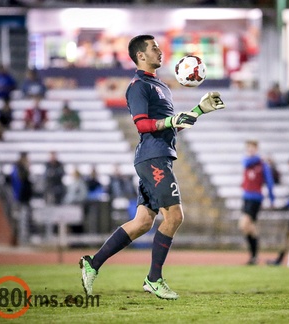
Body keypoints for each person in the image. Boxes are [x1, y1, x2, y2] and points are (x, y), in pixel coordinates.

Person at [79, 34, 225, 300]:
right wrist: (170, 122)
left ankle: (93, 263)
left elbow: (173, 123)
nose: (160, 51)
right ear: (141, 56)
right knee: (175, 217)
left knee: (143, 222)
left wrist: (199, 110)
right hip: (153, 157)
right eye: (154, 48)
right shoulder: (138, 86)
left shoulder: (162, 87)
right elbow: (142, 124)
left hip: (158, 155)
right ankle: (153, 279)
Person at [239, 140, 275, 265]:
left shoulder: (263, 165)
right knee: (250, 228)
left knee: (244, 225)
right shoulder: (249, 161)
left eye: (253, 148)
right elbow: (245, 162)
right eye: (248, 148)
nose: (250, 150)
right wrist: (260, 158)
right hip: (246, 197)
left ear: (256, 149)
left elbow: (269, 181)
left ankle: (254, 255)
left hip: (255, 198)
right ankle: (254, 256)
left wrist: (271, 198)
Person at [10, 152, 33, 244]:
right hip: (21, 197)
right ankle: (20, 239)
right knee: (21, 218)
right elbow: (21, 181)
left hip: (21, 197)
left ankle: (21, 238)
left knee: (22, 218)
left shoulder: (17, 168)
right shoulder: (20, 168)